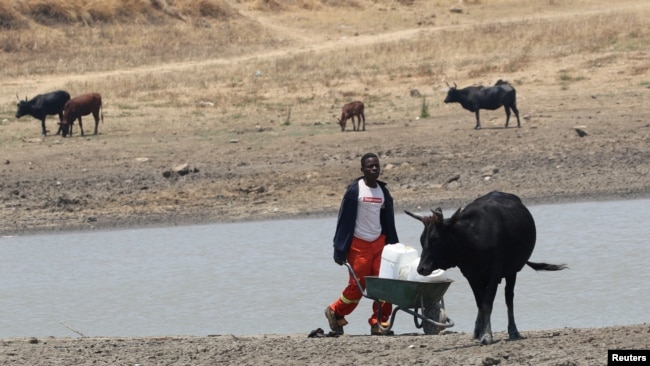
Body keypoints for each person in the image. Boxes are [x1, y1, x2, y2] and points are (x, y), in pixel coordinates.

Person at [325, 152, 400, 336]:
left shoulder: (383, 192)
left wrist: (394, 245)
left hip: (379, 244)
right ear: (362, 170)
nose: (374, 168)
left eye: (376, 165)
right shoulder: (355, 191)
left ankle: (379, 323)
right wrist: (339, 249)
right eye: (369, 166)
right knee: (358, 286)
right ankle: (335, 311)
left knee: (384, 283)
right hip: (358, 245)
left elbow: (388, 220)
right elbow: (344, 220)